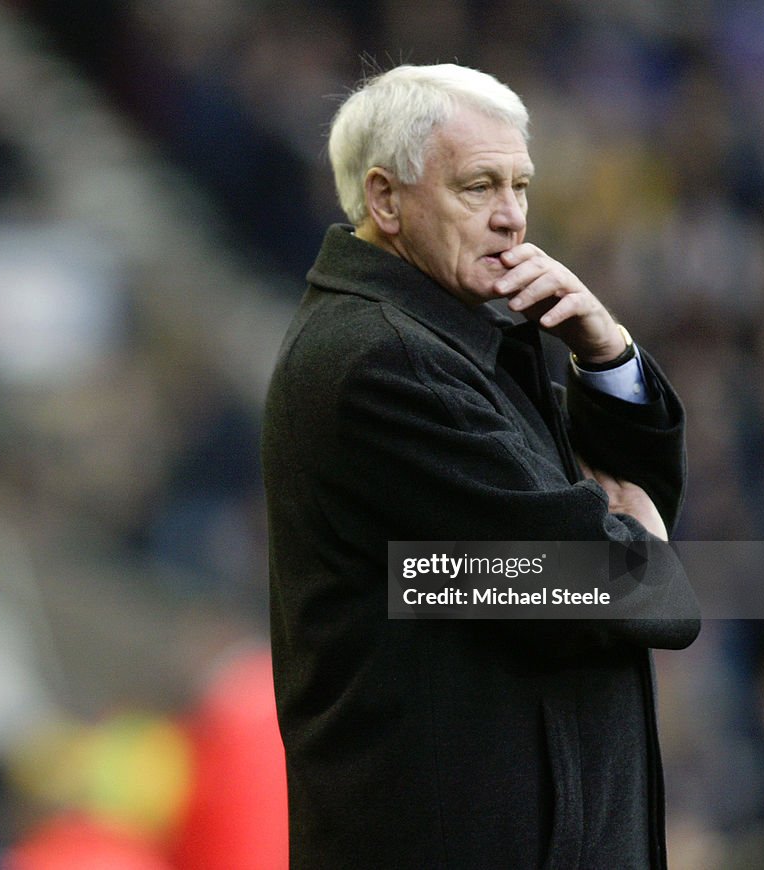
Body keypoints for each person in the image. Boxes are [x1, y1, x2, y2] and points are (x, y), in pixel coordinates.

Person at [261, 63, 700, 869]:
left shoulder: (458, 337)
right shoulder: (383, 363)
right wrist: (635, 550)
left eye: (521, 187)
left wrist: (606, 355)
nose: (512, 219)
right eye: (478, 188)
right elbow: (621, 590)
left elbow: (619, 539)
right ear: (386, 200)